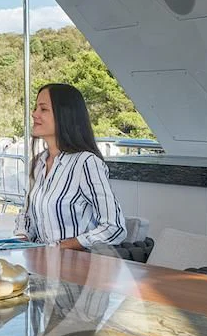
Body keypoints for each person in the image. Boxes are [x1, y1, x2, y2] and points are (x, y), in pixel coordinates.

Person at [16, 83, 126, 251]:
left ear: (65, 115)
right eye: (35, 108)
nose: (34, 114)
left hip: (77, 269)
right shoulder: (38, 164)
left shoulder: (86, 163)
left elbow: (114, 227)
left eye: (43, 109)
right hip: (40, 265)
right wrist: (21, 237)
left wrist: (64, 246)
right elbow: (27, 218)